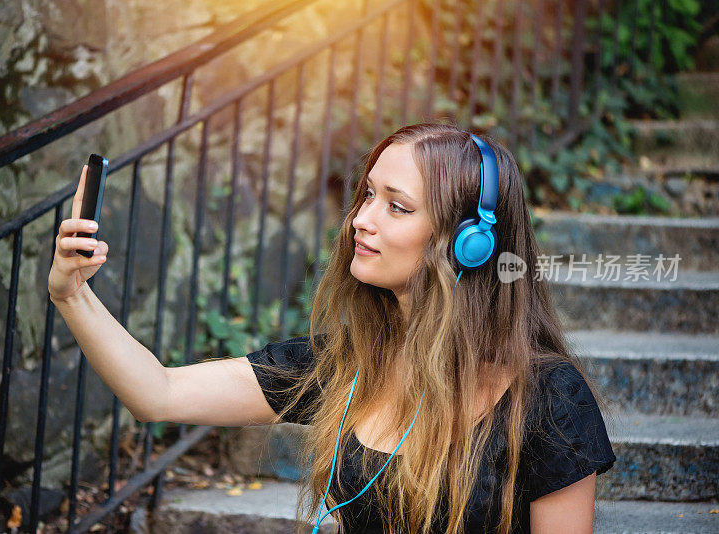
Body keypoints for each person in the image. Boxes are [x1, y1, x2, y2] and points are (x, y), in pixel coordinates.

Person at [48, 122, 616, 534]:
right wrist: (71, 294)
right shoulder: (340, 365)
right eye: (368, 194)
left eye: (397, 207)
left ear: (470, 244)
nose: (360, 220)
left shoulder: (547, 402)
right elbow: (158, 393)